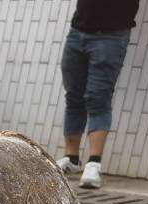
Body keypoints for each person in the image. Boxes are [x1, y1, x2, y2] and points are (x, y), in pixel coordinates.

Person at [58, 0, 139, 189]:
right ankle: (71, 158)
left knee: (98, 98)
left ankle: (94, 163)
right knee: (74, 96)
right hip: (78, 30)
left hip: (111, 35)